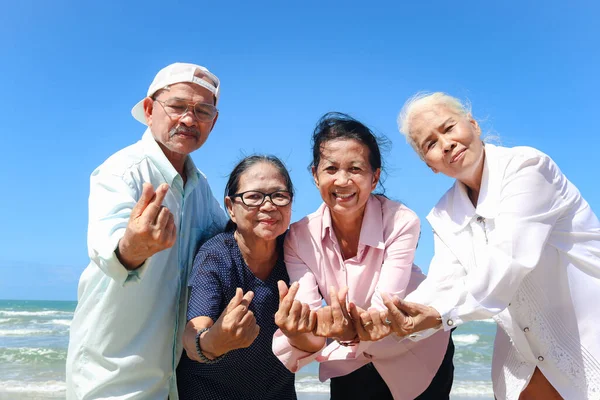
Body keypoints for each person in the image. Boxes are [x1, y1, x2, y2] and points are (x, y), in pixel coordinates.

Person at [386, 92, 600, 399]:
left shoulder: (527, 167)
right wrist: (395, 317)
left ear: (473, 125)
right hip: (523, 354)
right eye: (430, 144)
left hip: (586, 335)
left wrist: (434, 313)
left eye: (448, 128)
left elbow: (509, 260)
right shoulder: (443, 213)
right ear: (429, 165)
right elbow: (444, 281)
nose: (446, 144)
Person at [66, 62, 228, 399]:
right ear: (151, 109)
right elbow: (107, 250)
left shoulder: (202, 190)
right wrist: (134, 246)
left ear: (213, 122)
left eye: (202, 110)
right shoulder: (122, 172)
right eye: (178, 106)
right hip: (112, 378)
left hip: (174, 381)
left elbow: (228, 242)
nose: (188, 119)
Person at [273, 113, 455, 399]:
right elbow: (310, 313)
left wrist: (334, 323)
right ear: (314, 174)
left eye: (355, 169)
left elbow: (386, 306)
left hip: (416, 350)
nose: (342, 180)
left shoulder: (401, 220)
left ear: (375, 177)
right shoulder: (298, 237)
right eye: (331, 168)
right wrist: (302, 328)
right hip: (351, 357)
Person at [176, 155, 297, 400]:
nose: (268, 206)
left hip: (278, 393)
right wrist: (213, 341)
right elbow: (193, 333)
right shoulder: (216, 256)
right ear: (231, 207)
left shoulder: (297, 251)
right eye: (254, 197)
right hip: (208, 393)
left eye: (279, 195)